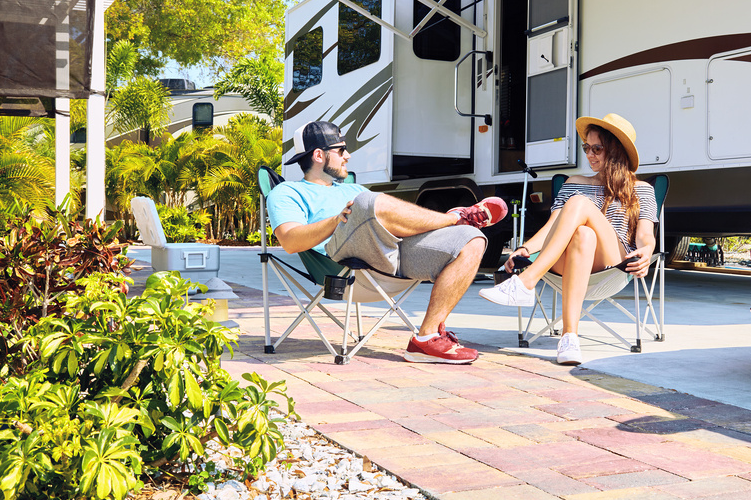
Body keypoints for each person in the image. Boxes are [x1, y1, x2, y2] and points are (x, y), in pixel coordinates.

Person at [267, 120, 508, 365]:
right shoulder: (287, 192)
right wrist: (335, 220)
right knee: (368, 202)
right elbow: (289, 241)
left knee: (472, 239)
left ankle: (426, 339)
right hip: (342, 265)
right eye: (341, 150)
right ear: (319, 155)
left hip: (388, 255)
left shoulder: (352, 189)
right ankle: (454, 218)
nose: (347, 156)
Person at [480, 113, 656, 366]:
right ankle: (569, 338)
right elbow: (552, 227)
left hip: (612, 264)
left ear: (616, 151)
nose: (589, 154)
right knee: (583, 234)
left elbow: (645, 235)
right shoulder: (574, 183)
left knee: (578, 204)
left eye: (597, 148)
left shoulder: (642, 190)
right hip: (570, 262)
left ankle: (526, 282)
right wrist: (524, 249)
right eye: (586, 147)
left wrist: (648, 251)